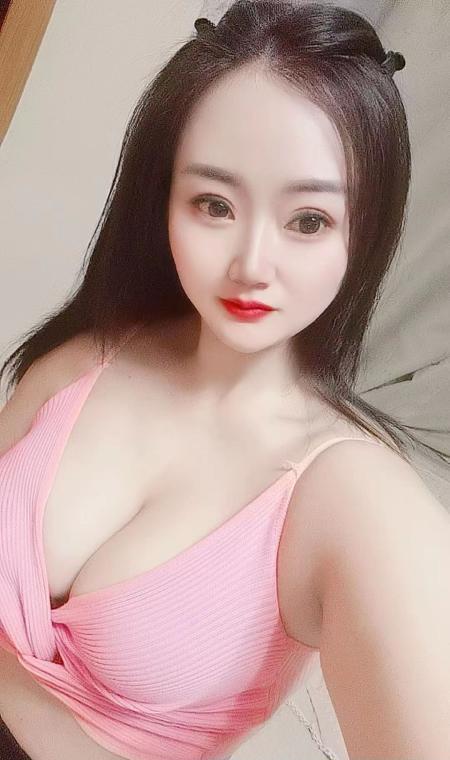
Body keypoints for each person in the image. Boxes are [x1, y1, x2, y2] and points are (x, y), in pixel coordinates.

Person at [1, 2, 449, 760]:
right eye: (214, 204)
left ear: (364, 230)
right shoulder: (93, 353)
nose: (251, 265)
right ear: (163, 200)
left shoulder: (353, 494)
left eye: (307, 221)